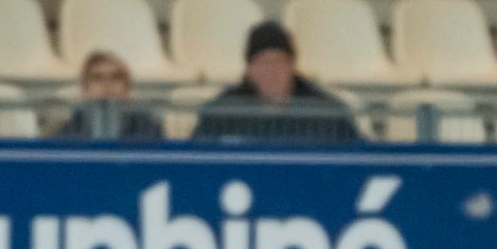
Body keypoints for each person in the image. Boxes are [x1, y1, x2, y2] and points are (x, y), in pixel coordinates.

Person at [192, 20, 359, 146]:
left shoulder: (327, 113)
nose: (272, 71)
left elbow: (357, 156)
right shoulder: (220, 114)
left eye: (280, 62)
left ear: (292, 67)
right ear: (249, 70)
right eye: (264, 62)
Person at [53, 51, 162, 142]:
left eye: (116, 77)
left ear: (127, 89)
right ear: (84, 90)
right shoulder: (68, 133)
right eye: (97, 78)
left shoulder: (149, 131)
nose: (107, 83)